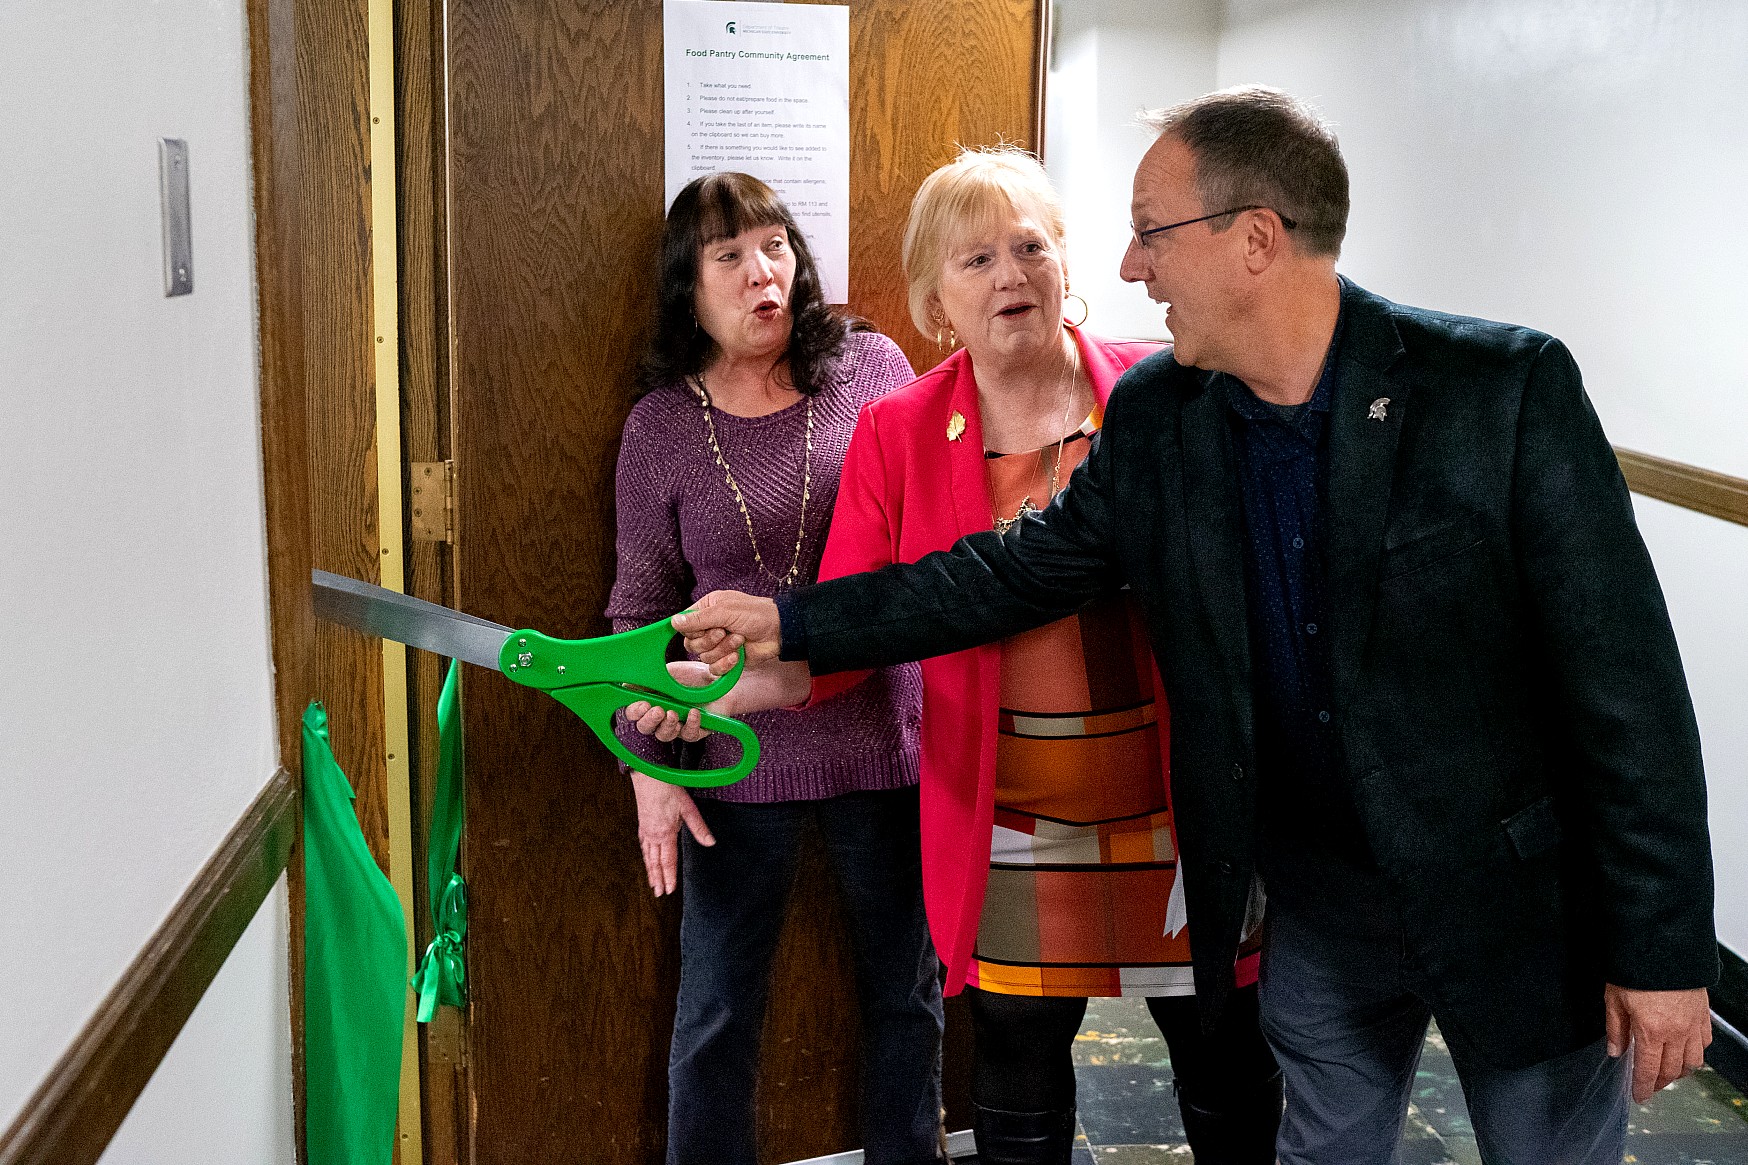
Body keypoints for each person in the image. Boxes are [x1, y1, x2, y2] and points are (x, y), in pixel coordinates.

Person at [668, 89, 1718, 1165]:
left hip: (1508, 909)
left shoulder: (1498, 390)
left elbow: (1623, 689)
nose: (1126, 267)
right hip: (1319, 911)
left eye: (1149, 233)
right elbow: (1002, 573)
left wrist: (1662, 948)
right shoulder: (1168, 413)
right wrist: (790, 623)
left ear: (1253, 240)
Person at [640, 147, 1280, 1165]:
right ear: (936, 301)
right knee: (1016, 1077)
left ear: (1066, 264)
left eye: (1029, 247)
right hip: (1008, 816)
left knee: (1221, 1059)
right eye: (974, 259)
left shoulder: (1168, 396)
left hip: (1181, 804)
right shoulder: (897, 430)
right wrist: (712, 694)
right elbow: (848, 635)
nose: (1010, 275)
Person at [605, 171, 942, 1165]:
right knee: (713, 1013)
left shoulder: (874, 368)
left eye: (775, 246)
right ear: (688, 290)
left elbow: (932, 549)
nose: (763, 273)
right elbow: (635, 619)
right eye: (729, 257)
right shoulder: (661, 428)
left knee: (906, 998)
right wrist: (647, 764)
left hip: (884, 741)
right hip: (732, 757)